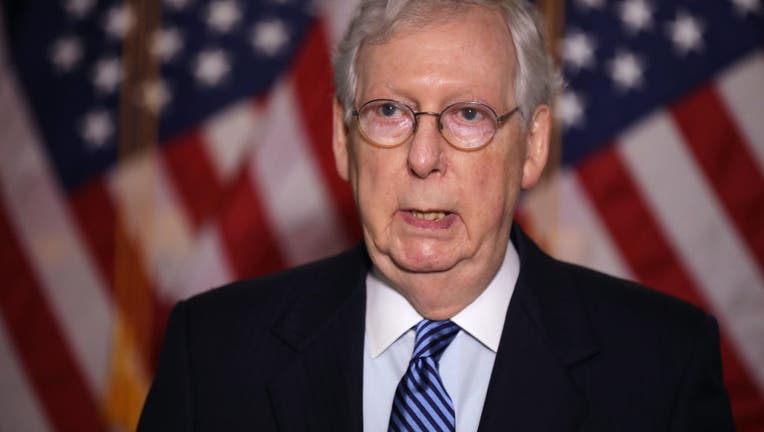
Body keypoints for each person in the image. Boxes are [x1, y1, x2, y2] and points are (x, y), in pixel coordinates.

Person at [138, 0, 735, 430]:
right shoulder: (212, 352)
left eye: (468, 115)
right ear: (344, 143)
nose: (423, 159)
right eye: (389, 110)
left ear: (531, 145)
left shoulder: (663, 367)